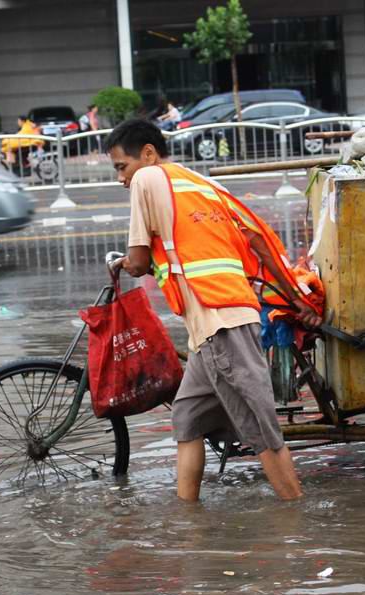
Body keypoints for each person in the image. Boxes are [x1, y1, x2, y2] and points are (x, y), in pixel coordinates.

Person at [105, 118, 319, 502]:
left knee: (261, 428)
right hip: (217, 323)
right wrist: (297, 299)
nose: (121, 179)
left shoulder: (146, 180)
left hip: (221, 322)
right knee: (187, 420)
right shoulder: (199, 184)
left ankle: (296, 519)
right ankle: (188, 520)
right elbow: (257, 239)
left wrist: (124, 263)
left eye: (121, 166)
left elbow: (138, 260)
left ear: (149, 155)